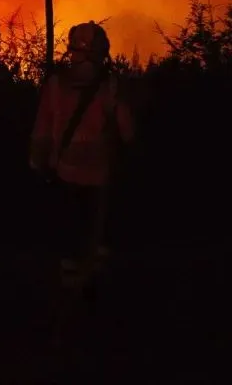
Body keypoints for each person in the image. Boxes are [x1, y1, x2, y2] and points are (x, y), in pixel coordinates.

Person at [30, 21, 136, 297]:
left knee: (69, 239)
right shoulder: (111, 87)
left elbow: (42, 130)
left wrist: (38, 162)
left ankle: (69, 299)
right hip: (102, 176)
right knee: (97, 237)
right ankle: (95, 295)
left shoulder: (55, 84)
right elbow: (128, 133)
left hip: (64, 174)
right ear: (103, 52)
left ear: (72, 51)